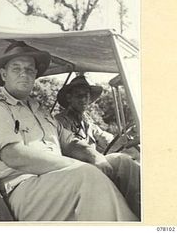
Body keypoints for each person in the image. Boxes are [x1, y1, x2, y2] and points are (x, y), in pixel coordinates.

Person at [0, 41, 139, 221]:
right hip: (21, 188)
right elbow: (14, 156)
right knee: (87, 175)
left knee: (123, 163)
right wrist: (76, 165)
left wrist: (94, 156)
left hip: (56, 179)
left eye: (29, 69)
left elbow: (70, 141)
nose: (24, 73)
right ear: (4, 74)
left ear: (35, 74)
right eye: (16, 68)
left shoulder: (40, 111)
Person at [55, 75, 140, 218]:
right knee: (121, 162)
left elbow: (105, 138)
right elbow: (71, 146)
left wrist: (126, 138)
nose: (84, 99)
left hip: (96, 166)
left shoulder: (86, 120)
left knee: (129, 159)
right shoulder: (60, 121)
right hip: (77, 172)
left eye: (87, 96)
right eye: (79, 96)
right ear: (69, 98)